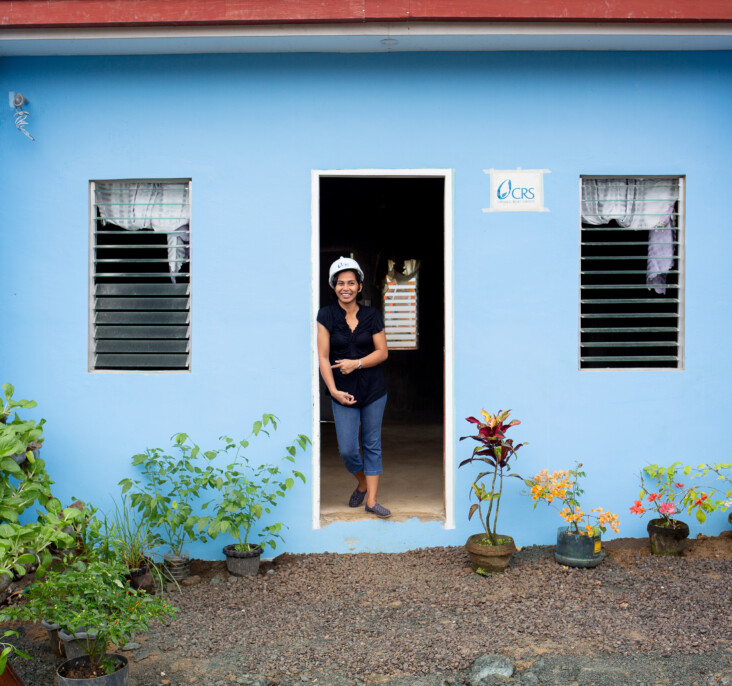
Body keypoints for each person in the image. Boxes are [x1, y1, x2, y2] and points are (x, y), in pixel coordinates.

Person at [317, 256, 391, 518]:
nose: (345, 287)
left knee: (372, 444)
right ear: (333, 286)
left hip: (373, 389)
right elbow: (323, 358)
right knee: (348, 448)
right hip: (342, 392)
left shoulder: (371, 315)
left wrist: (357, 363)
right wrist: (334, 391)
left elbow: (382, 352)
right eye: (340, 283)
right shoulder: (325, 315)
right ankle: (361, 480)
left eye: (351, 282)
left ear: (359, 286)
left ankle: (371, 500)